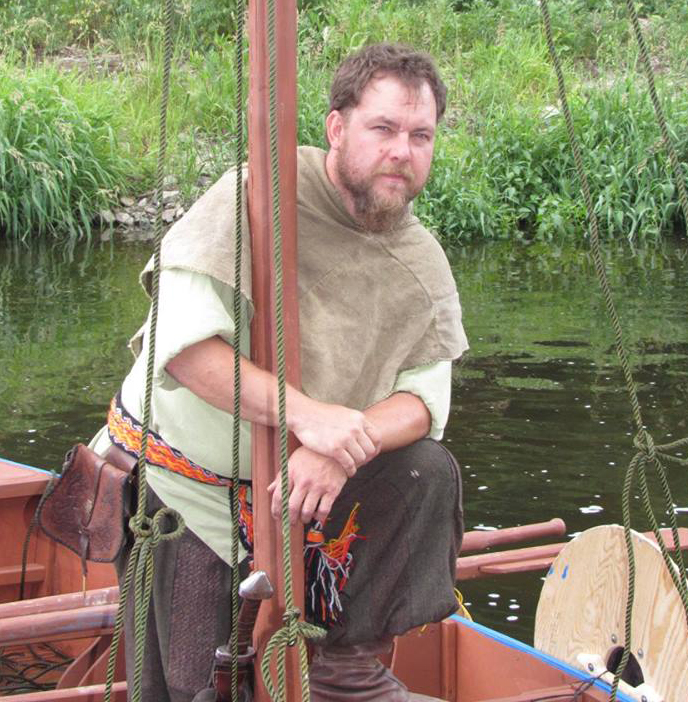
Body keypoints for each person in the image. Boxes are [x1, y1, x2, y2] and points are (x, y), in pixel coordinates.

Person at [91, 42, 469, 702]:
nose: (401, 152)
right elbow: (182, 350)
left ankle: (345, 664)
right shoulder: (255, 197)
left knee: (425, 470)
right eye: (382, 128)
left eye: (420, 135)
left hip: (304, 497)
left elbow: (422, 401)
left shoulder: (420, 258)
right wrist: (309, 417)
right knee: (194, 687)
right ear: (337, 127)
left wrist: (341, 447)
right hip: (186, 492)